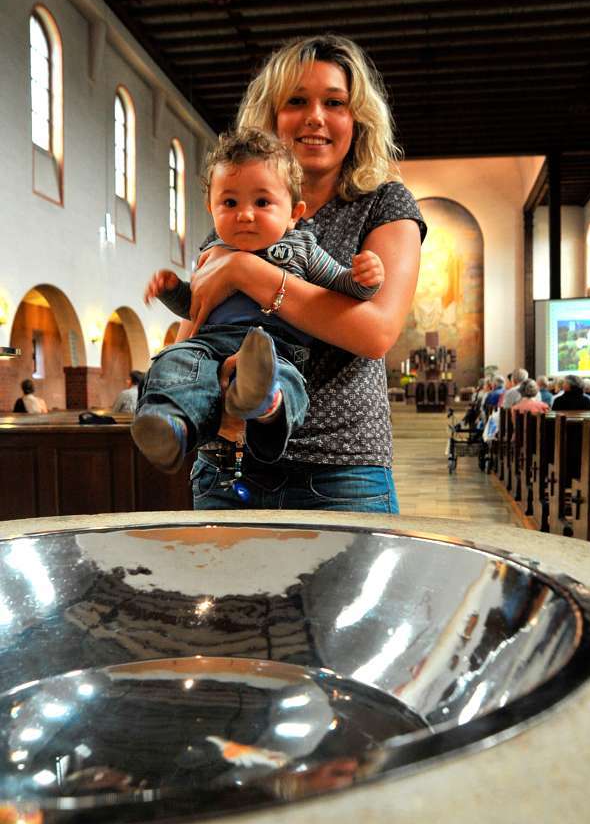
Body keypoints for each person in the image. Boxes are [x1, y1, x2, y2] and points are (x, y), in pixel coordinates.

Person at [173, 34, 426, 512]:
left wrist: (246, 271)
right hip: (230, 462)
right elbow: (195, 326)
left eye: (334, 102)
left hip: (342, 469)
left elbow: (375, 332)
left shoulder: (384, 202)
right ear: (271, 115)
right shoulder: (240, 210)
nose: (315, 117)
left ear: (357, 119)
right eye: (296, 101)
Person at [134, 129, 383, 473]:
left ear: (294, 213)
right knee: (176, 359)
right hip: (209, 346)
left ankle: (265, 403)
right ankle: (171, 423)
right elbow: (195, 307)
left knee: (283, 378)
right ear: (211, 208)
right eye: (230, 203)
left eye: (262, 203)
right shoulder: (211, 254)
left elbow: (342, 287)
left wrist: (364, 279)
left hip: (277, 348)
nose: (245, 214)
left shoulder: (302, 248)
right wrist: (172, 289)